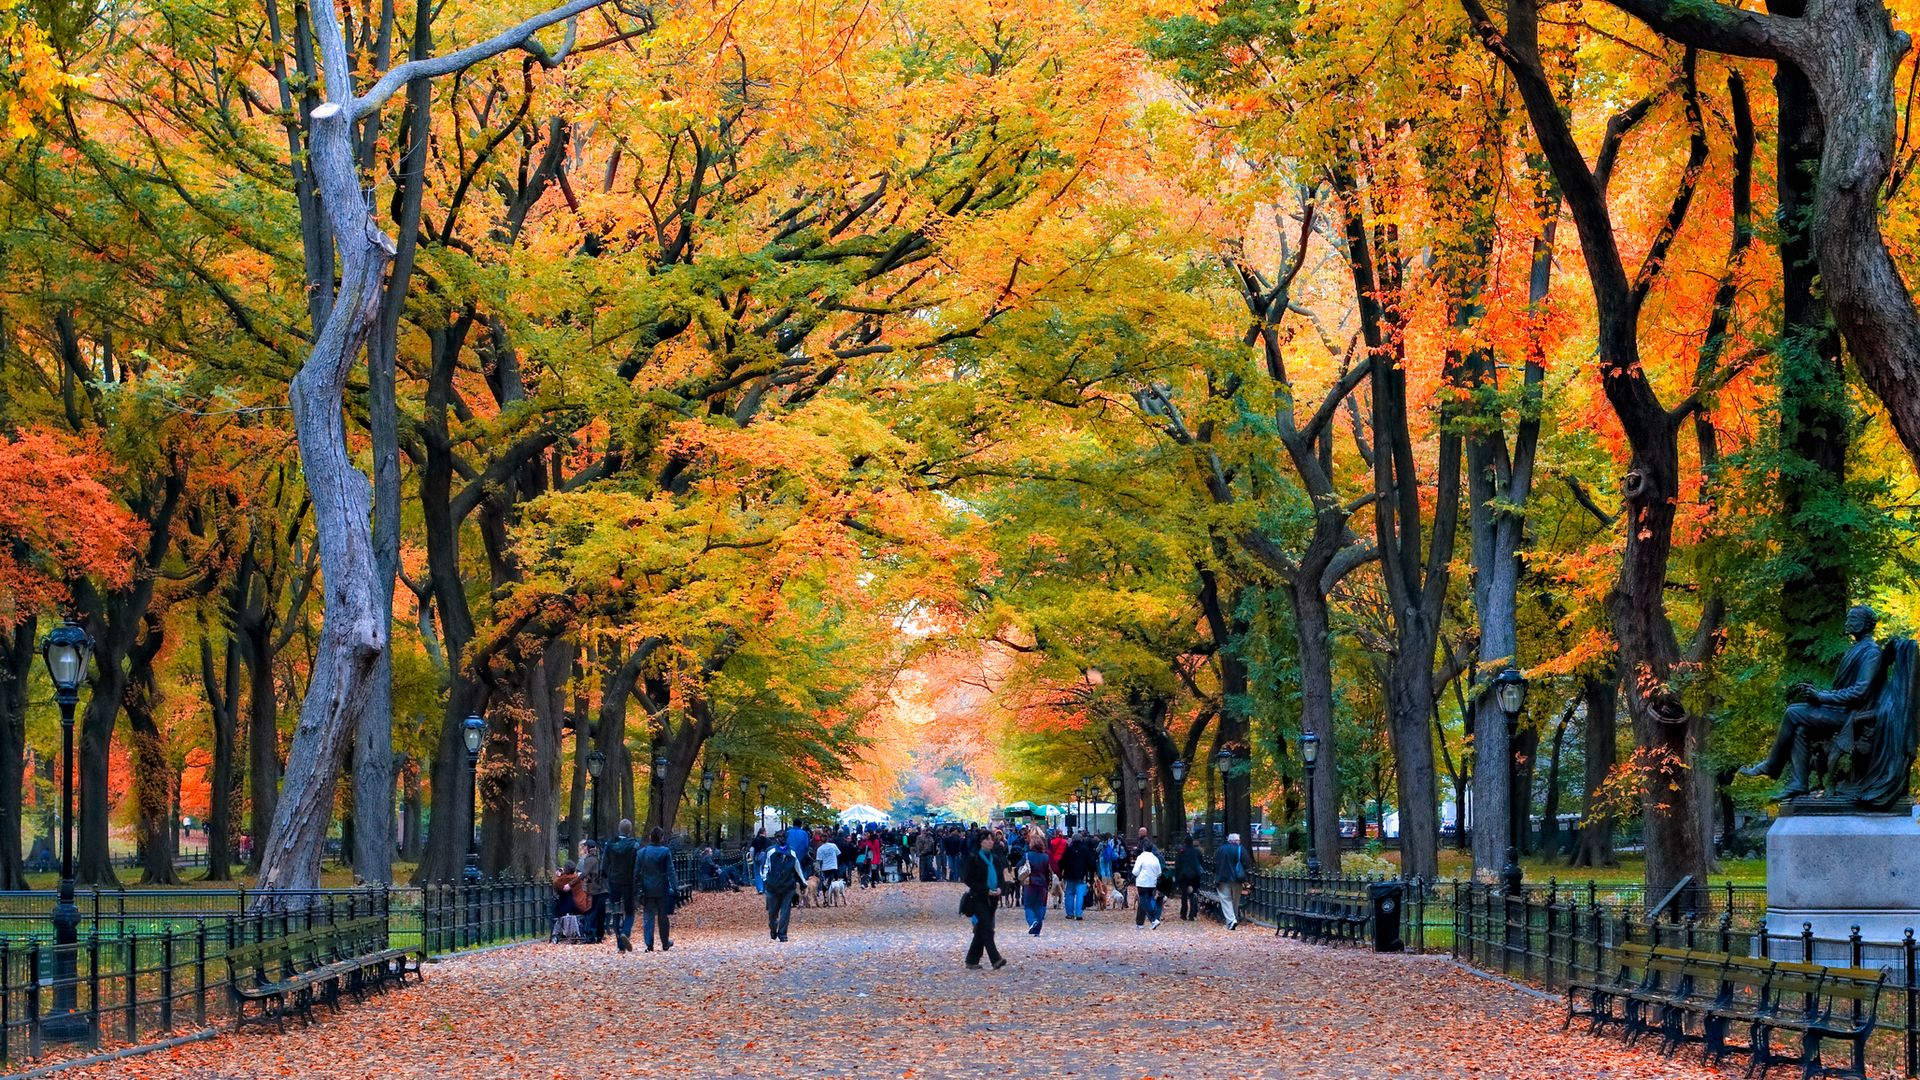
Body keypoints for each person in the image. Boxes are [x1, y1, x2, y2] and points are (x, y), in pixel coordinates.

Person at [961, 831, 1008, 969]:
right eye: (986, 840)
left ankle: (972, 960)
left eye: (991, 840)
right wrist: (984, 889)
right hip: (978, 898)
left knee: (982, 928)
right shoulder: (974, 858)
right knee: (987, 928)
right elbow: (967, 878)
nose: (990, 842)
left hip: (993, 899)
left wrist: (1000, 888)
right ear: (980, 842)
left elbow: (1000, 877)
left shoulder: (995, 858)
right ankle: (996, 959)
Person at [636, 827, 677, 951]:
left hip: (646, 889)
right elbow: (671, 871)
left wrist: (636, 888)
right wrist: (675, 887)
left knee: (648, 916)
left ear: (650, 837)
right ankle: (665, 942)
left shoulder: (641, 853)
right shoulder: (665, 852)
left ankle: (649, 943)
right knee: (662, 916)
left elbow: (636, 872)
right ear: (661, 838)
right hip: (662, 888)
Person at [603, 820, 641, 951]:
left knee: (616, 910)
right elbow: (637, 865)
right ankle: (626, 931)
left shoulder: (610, 844)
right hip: (628, 882)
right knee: (629, 911)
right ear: (629, 830)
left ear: (619, 829)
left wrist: (605, 876)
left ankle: (620, 944)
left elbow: (604, 864)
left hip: (614, 881)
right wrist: (636, 879)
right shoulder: (634, 845)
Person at [763, 832, 806, 941]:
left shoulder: (792, 852)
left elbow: (797, 868)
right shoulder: (770, 851)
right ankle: (773, 928)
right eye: (778, 837)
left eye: (782, 837)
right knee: (772, 912)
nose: (780, 839)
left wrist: (803, 883)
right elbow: (765, 867)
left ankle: (782, 933)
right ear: (776, 838)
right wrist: (766, 880)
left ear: (786, 838)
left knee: (786, 911)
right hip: (773, 886)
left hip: (787, 886)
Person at [1021, 827, 1052, 936]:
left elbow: (1020, 866)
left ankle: (1032, 921)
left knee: (1028, 905)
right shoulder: (1046, 857)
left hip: (1030, 883)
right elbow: (1049, 871)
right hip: (1042, 884)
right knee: (1040, 906)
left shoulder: (1027, 855)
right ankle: (1037, 929)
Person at [578, 839, 610, 942]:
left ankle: (591, 936)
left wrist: (571, 883)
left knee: (592, 912)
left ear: (587, 847)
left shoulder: (590, 859)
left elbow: (584, 874)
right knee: (600, 912)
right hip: (602, 888)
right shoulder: (598, 857)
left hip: (595, 890)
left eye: (585, 846)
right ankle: (599, 935)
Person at [1214, 832, 1247, 930]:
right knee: (1235, 900)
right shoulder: (1241, 849)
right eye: (1238, 840)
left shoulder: (1221, 849)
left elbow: (1216, 862)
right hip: (1237, 878)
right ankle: (1233, 919)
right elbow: (1246, 862)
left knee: (1226, 899)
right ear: (1236, 841)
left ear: (1229, 840)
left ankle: (1231, 920)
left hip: (1223, 878)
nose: (1239, 842)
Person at [1132, 840, 1163, 930]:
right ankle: (1147, 921)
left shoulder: (1141, 857)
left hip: (1142, 883)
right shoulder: (1155, 858)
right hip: (1152, 883)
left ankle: (1153, 919)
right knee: (1148, 900)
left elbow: (1135, 871)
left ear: (1143, 848)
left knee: (1143, 902)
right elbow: (1159, 873)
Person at [1173, 835, 1204, 922]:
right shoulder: (1197, 852)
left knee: (1184, 895)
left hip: (1183, 876)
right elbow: (1201, 863)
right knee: (1193, 894)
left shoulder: (1181, 851)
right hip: (1195, 876)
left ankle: (1183, 913)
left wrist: (1177, 877)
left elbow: (1177, 865)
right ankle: (1193, 913)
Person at [1060, 833, 1090, 920]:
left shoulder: (1069, 850)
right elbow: (1091, 862)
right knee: (1080, 894)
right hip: (1081, 875)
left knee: (1069, 893)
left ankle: (1070, 913)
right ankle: (1079, 914)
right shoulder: (1085, 850)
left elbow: (1062, 861)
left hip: (1069, 875)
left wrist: (1060, 872)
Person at [751, 827, 771, 894]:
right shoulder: (768, 840)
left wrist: (752, 858)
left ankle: (760, 889)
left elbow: (752, 850)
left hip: (757, 857)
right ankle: (765, 888)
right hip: (765, 857)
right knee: (765, 872)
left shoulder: (755, 840)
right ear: (764, 832)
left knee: (757, 873)